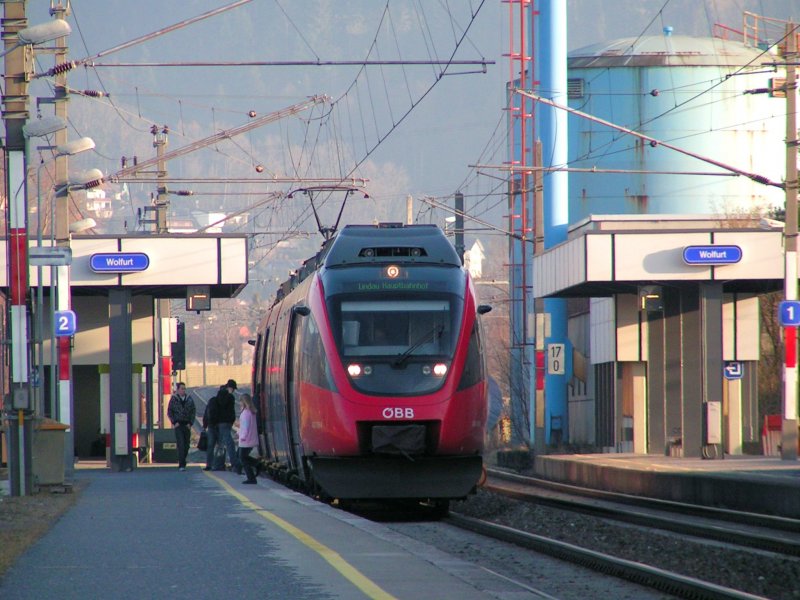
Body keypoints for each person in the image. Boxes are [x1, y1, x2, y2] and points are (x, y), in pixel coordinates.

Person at [204, 379, 242, 473]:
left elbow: (209, 411)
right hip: (224, 423)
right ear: (230, 388)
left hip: (214, 424)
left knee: (212, 445)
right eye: (233, 389)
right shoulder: (229, 397)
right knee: (228, 443)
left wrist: (206, 424)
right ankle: (233, 464)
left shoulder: (215, 398)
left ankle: (211, 465)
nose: (233, 391)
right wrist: (230, 420)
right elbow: (229, 411)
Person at [167, 382, 195, 471]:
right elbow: (170, 411)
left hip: (186, 425)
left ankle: (183, 459)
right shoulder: (174, 399)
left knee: (186, 445)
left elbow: (193, 411)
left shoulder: (189, 399)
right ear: (178, 390)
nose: (183, 390)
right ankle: (181, 464)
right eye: (182, 388)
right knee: (181, 444)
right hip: (178, 425)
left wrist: (190, 423)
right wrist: (174, 422)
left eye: (184, 388)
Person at [237, 393, 259, 484]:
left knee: (242, 458)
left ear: (244, 402)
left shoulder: (245, 413)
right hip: (250, 439)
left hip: (246, 440)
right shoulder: (251, 412)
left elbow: (245, 427)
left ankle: (251, 478)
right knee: (243, 457)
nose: (240, 403)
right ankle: (257, 464)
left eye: (240, 401)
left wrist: (242, 437)